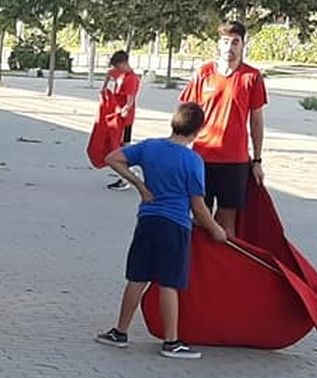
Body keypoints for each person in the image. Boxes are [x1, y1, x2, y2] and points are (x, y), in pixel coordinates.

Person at [94, 102, 228, 359]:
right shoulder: (193, 161)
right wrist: (216, 230)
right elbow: (198, 207)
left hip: (148, 221)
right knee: (169, 282)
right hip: (175, 225)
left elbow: (112, 158)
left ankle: (119, 332)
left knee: (137, 277)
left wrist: (140, 186)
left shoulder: (150, 147)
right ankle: (171, 342)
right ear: (198, 130)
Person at [180, 21, 267, 235]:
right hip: (202, 158)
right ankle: (196, 267)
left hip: (234, 161)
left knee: (227, 225)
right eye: (226, 42)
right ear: (219, 44)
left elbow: (256, 121)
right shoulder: (203, 73)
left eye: (235, 42)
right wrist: (179, 148)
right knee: (199, 219)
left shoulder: (251, 77)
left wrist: (257, 160)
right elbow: (187, 112)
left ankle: (227, 267)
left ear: (243, 45)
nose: (230, 47)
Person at [101, 50, 142, 190]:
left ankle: (127, 176)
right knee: (118, 145)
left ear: (124, 63)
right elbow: (109, 73)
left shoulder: (131, 79)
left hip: (125, 118)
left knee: (123, 147)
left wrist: (124, 111)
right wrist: (104, 87)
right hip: (117, 113)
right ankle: (127, 174)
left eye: (118, 66)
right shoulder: (120, 73)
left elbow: (130, 100)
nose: (116, 69)